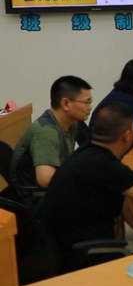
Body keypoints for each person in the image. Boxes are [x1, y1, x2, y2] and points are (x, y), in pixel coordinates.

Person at [41, 102, 133, 272]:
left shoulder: (87, 154)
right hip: (83, 258)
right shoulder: (105, 166)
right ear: (126, 135)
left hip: (61, 250)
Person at [9, 76, 93, 205]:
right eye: (86, 102)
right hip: (36, 199)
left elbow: (92, 148)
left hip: (53, 192)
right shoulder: (47, 132)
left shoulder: (73, 122)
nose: (90, 107)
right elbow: (46, 180)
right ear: (66, 104)